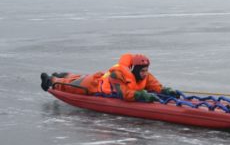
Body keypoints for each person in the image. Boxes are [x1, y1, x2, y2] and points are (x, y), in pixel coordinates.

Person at [40, 53, 178, 102]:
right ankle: (52, 79)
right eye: (142, 70)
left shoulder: (146, 76)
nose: (145, 73)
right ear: (134, 69)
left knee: (74, 78)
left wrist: (166, 91)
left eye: (146, 70)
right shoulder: (117, 75)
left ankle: (65, 74)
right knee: (69, 85)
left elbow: (156, 87)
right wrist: (143, 96)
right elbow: (124, 94)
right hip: (93, 85)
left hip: (96, 79)